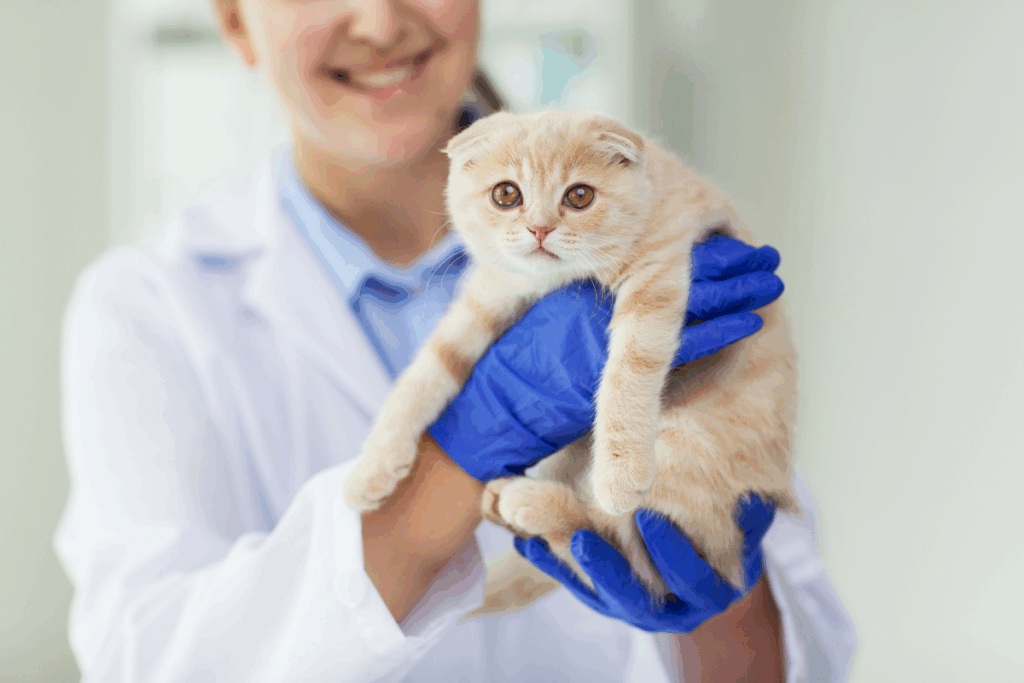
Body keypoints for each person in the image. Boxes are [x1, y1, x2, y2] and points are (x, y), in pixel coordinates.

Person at [54, 1, 857, 681]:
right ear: (234, 19)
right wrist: (457, 452)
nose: (378, 22)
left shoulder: (648, 227)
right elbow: (150, 654)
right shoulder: (150, 309)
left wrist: (723, 598)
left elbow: (795, 652)